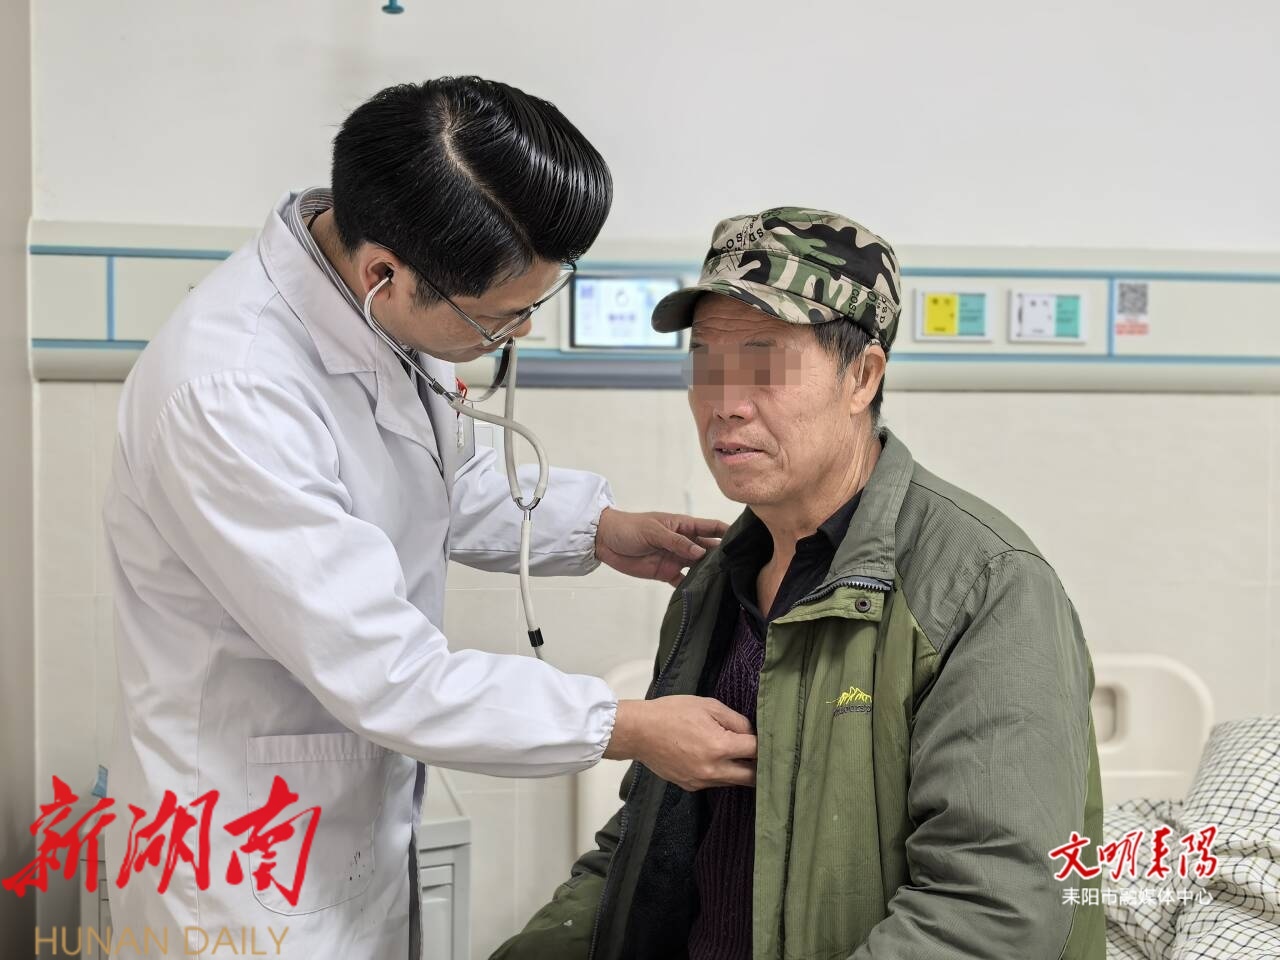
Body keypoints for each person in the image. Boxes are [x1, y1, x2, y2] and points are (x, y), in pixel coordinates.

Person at [102, 77, 756, 958]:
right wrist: (625, 725)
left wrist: (596, 528)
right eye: (501, 317)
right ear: (386, 275)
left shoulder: (380, 305)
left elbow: (431, 480)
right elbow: (389, 674)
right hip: (241, 869)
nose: (519, 334)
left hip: (345, 824)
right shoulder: (229, 395)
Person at [494, 208, 1105, 959]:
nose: (725, 401)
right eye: (706, 363)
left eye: (765, 365)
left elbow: (993, 908)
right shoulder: (712, 586)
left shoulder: (984, 589)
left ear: (863, 377)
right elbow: (646, 841)